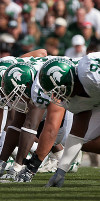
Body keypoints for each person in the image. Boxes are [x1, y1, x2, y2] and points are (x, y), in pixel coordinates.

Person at [38, 54, 100, 187]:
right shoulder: (75, 97)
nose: (57, 97)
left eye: (58, 91)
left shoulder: (92, 75)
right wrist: (61, 171)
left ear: (68, 82)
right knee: (87, 139)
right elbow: (77, 134)